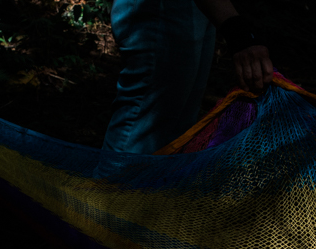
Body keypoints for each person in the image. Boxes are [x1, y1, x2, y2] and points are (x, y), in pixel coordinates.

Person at [103, 0, 274, 154]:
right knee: (145, 124)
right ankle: (113, 186)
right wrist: (237, 31)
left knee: (178, 127)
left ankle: (150, 186)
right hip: (163, 9)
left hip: (198, 7)